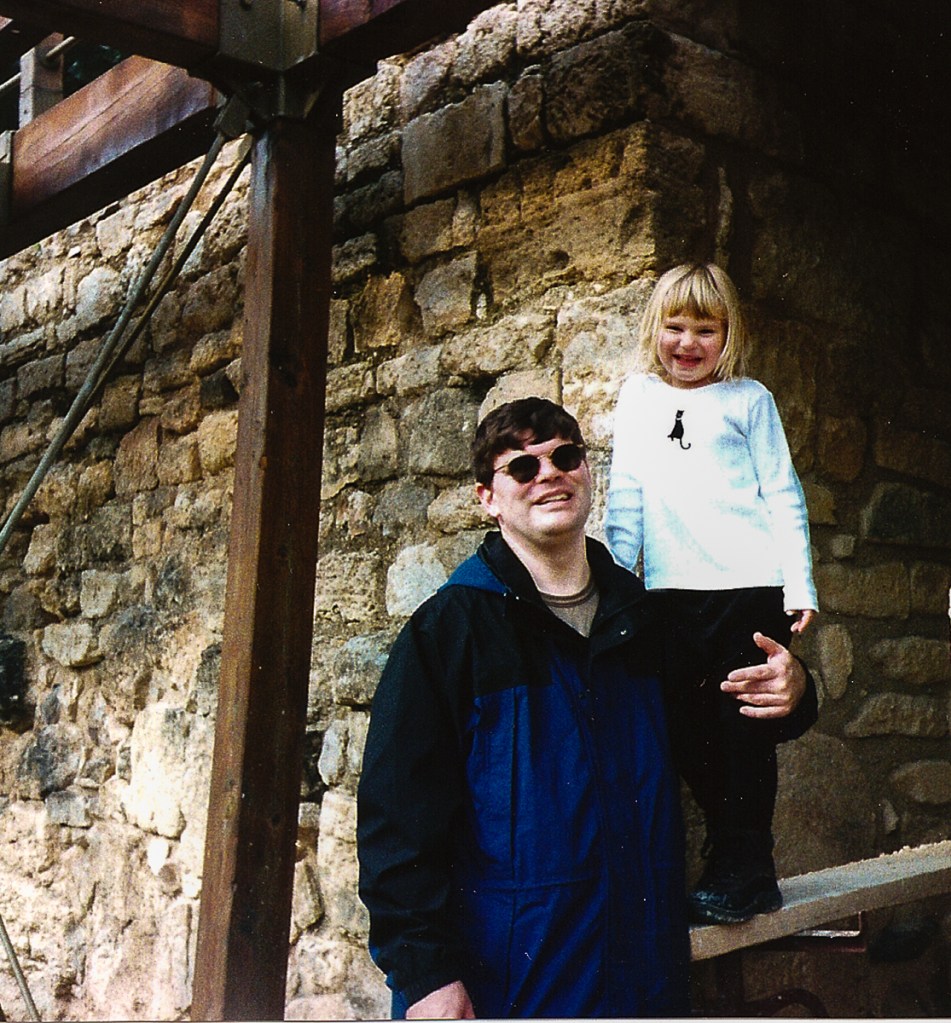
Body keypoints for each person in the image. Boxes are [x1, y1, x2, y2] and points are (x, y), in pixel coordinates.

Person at [358, 396, 813, 1018]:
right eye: (522, 467)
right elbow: (396, 821)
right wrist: (425, 974)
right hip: (511, 982)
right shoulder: (451, 631)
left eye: (565, 456)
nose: (549, 474)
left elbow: (724, 730)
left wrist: (794, 692)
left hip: (643, 977)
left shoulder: (646, 621)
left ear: (587, 474)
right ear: (486, 498)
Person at [604, 263, 819, 926]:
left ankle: (748, 871)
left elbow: (782, 493)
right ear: (654, 329)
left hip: (746, 588)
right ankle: (717, 861)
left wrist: (797, 579)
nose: (688, 341)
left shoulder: (748, 399)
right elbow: (625, 497)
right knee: (683, 725)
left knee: (741, 729)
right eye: (675, 325)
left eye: (705, 327)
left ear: (727, 334)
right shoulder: (638, 398)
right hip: (669, 592)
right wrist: (613, 585)